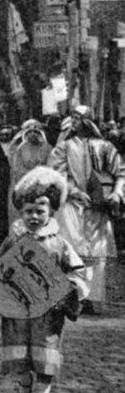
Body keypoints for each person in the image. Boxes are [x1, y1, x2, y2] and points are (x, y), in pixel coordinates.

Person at [0, 167, 89, 393]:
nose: (34, 217)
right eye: (29, 211)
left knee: (47, 354)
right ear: (21, 211)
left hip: (48, 313)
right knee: (20, 356)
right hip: (17, 311)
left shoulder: (59, 243)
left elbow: (77, 271)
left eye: (40, 211)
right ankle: (24, 382)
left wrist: (69, 288)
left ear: (51, 212)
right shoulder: (14, 240)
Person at [48, 105, 124, 314]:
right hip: (71, 207)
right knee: (70, 250)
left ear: (87, 121)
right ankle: (73, 298)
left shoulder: (105, 147)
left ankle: (93, 298)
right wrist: (74, 192)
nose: (74, 122)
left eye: (78, 118)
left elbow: (120, 172)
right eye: (72, 118)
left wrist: (116, 194)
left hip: (98, 208)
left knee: (96, 253)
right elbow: (56, 174)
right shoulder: (63, 147)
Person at [8, 120, 51, 225]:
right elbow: (17, 169)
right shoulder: (21, 149)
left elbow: (51, 167)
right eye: (30, 132)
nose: (33, 134)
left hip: (42, 187)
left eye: (36, 132)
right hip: (24, 187)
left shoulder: (48, 148)